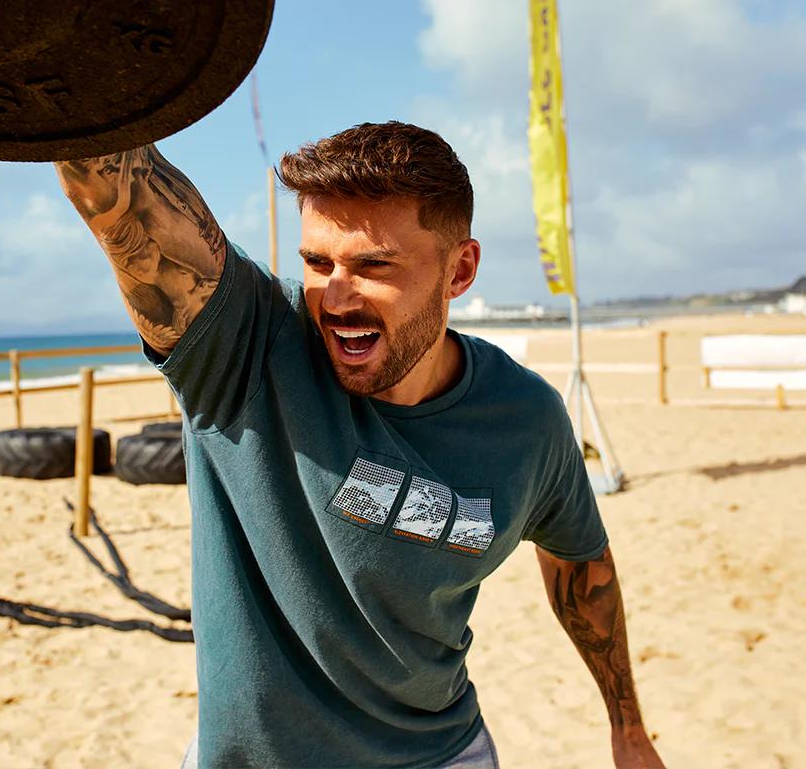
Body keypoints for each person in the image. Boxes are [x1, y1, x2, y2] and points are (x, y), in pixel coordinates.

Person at [55, 122, 664, 769]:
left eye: (374, 266)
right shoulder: (248, 348)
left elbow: (580, 561)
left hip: (442, 753)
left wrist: (627, 731)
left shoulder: (526, 419)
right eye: (319, 263)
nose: (337, 296)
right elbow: (114, 190)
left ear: (459, 270)